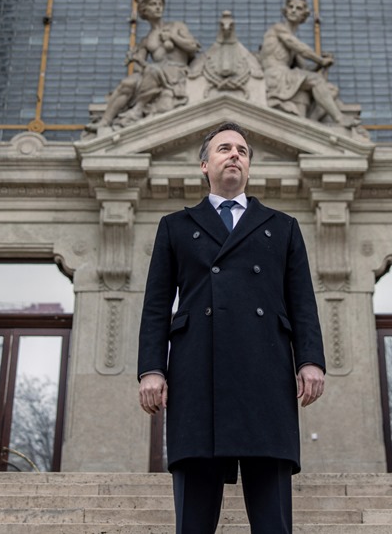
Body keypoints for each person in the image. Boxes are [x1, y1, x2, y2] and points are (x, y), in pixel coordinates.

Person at [137, 122, 326, 534]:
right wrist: (152, 369)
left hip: (266, 375)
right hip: (197, 376)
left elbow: (302, 303)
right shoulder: (175, 226)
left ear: (249, 167)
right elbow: (155, 306)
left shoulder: (283, 226)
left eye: (242, 150)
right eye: (224, 148)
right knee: (194, 521)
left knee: (273, 519)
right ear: (205, 164)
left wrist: (311, 360)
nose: (235, 155)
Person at [94, 0, 199, 131]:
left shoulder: (176, 26)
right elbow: (140, 69)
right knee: (127, 83)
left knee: (153, 70)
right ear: (144, 11)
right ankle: (105, 122)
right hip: (157, 73)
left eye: (160, 4)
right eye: (153, 4)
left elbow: (193, 47)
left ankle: (138, 109)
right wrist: (136, 59)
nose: (158, 8)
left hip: (177, 70)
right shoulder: (146, 41)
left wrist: (173, 37)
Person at [259, 0, 357, 128]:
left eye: (298, 8)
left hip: (284, 76)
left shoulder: (291, 43)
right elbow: (300, 48)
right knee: (316, 80)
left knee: (331, 89)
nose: (293, 11)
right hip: (275, 76)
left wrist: (319, 66)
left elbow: (305, 69)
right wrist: (320, 60)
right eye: (291, 7)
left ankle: (310, 124)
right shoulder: (278, 29)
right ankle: (339, 118)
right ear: (285, 11)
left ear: (303, 16)